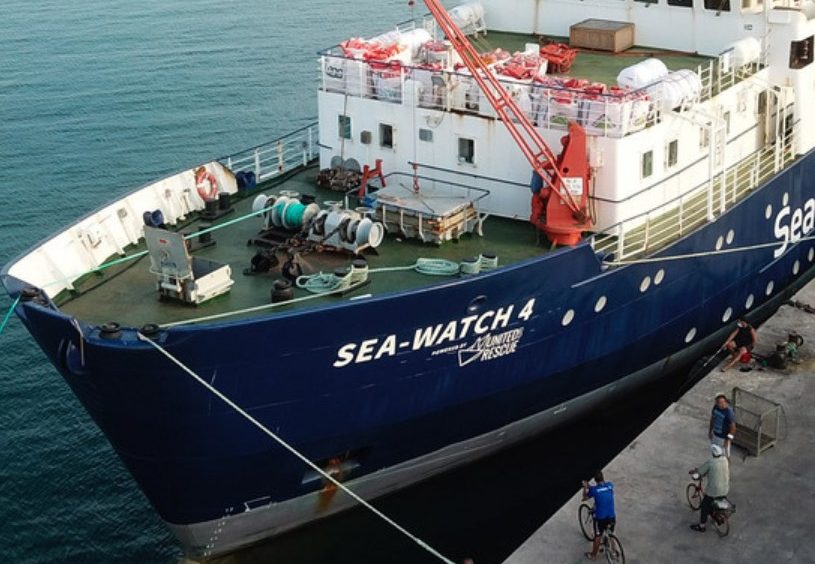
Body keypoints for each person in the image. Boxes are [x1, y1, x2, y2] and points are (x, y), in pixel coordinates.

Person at [690, 443, 730, 532]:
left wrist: (694, 472)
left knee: (704, 506)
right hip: (725, 488)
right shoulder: (725, 460)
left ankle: (701, 526)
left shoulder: (710, 462)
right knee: (716, 500)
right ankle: (715, 512)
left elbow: (700, 471)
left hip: (714, 490)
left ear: (713, 453)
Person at [582, 471, 615, 561]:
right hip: (612, 515)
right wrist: (591, 487)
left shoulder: (594, 490)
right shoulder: (610, 485)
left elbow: (584, 498)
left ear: (595, 480)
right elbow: (602, 491)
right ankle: (614, 551)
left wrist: (585, 488)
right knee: (611, 533)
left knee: (598, 536)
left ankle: (593, 555)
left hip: (601, 518)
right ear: (603, 477)